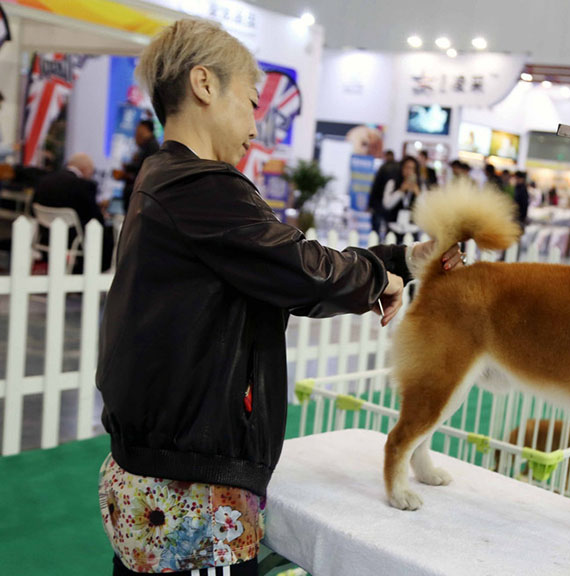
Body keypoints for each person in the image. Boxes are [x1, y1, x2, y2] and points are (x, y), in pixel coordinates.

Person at [95, 20, 464, 576]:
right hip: (190, 487)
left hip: (161, 474)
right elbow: (300, 269)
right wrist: (380, 278)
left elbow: (279, 264)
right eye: (250, 102)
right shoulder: (200, 186)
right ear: (204, 84)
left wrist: (397, 262)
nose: (256, 124)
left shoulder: (164, 177)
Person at [32, 153, 115, 271]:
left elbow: (32, 207)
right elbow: (95, 218)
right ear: (85, 170)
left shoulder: (44, 180)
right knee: (105, 236)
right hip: (73, 239)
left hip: (45, 235)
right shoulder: (84, 185)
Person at [117, 119, 161, 212]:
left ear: (145, 129)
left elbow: (143, 167)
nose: (136, 132)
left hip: (142, 194)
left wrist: (128, 169)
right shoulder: (146, 145)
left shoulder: (151, 145)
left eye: (138, 128)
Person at [383, 155, 422, 236]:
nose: (409, 171)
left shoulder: (420, 186)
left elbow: (425, 208)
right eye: (407, 167)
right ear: (401, 168)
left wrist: (418, 193)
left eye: (412, 168)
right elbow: (387, 205)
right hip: (394, 227)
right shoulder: (392, 183)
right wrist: (400, 191)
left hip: (412, 229)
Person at [367, 149, 398, 238]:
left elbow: (375, 187)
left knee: (376, 229)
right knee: (389, 229)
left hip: (379, 203)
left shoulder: (383, 168)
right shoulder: (398, 168)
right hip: (391, 205)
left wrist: (371, 204)